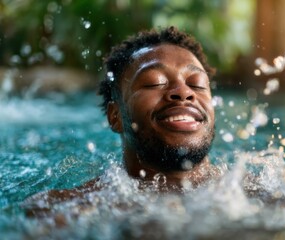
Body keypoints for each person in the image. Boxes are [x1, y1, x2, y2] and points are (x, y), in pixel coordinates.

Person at [23, 26, 219, 216]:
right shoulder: (64, 210)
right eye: (155, 82)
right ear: (115, 116)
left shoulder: (248, 192)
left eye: (197, 84)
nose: (184, 92)